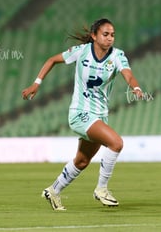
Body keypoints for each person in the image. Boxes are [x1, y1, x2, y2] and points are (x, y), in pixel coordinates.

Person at [21, 18, 143, 210]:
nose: (110, 38)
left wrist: (135, 86)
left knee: (82, 160)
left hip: (99, 115)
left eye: (112, 35)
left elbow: (128, 73)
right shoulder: (82, 52)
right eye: (105, 34)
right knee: (116, 143)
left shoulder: (118, 55)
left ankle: (53, 191)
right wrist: (36, 83)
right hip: (80, 113)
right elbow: (52, 60)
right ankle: (101, 189)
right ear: (94, 36)